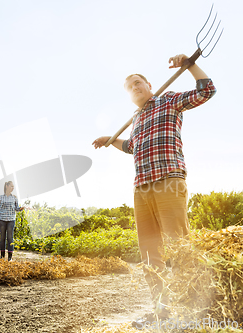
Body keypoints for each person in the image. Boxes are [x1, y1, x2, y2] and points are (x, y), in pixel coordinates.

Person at [92, 54, 216, 325]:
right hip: (141, 189)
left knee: (179, 246)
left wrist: (190, 64)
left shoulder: (168, 101)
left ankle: (189, 309)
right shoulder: (135, 119)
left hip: (169, 181)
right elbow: (132, 147)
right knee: (150, 253)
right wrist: (109, 141)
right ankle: (161, 311)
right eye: (129, 87)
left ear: (149, 84)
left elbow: (206, 91)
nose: (134, 87)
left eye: (138, 83)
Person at [0, 181, 24, 261]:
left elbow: (16, 208)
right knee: (2, 238)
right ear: (6, 186)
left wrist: (20, 208)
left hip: (11, 220)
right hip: (2, 220)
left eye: (13, 187)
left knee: (10, 238)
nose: (13, 188)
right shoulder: (0, 197)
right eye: (11, 186)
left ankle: (10, 257)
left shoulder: (14, 198)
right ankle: (2, 256)